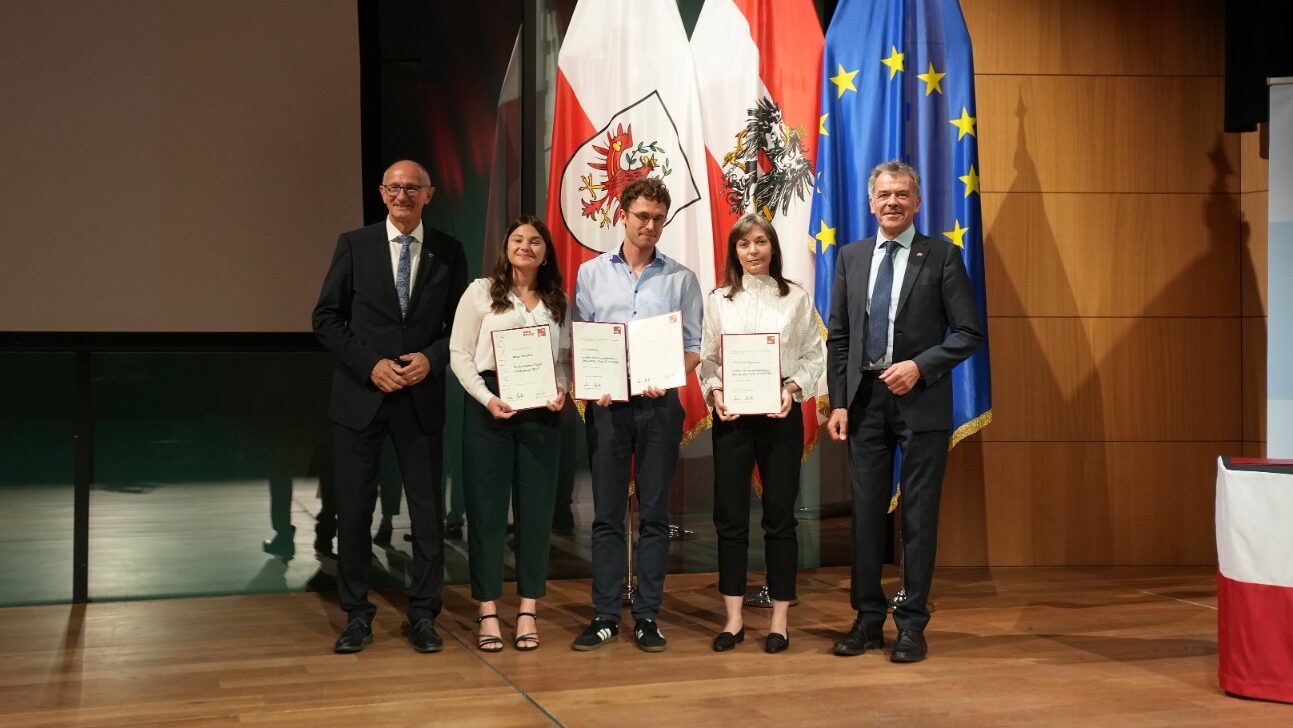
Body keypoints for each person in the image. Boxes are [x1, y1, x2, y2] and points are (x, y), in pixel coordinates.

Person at [825, 160, 983, 663]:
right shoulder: (849, 257)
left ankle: (912, 623)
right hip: (865, 404)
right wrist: (840, 402)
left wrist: (920, 365)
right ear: (871, 203)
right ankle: (867, 621)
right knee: (866, 517)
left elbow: (968, 333)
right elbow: (841, 337)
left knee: (918, 519)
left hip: (921, 404)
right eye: (884, 195)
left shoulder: (942, 256)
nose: (892, 202)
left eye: (902, 194)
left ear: (916, 203)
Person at [312, 159, 468, 654]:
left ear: (429, 194)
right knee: (354, 511)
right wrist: (370, 365)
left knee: (426, 515)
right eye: (394, 187)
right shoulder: (353, 246)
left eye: (412, 188)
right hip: (362, 397)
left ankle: (423, 614)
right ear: (382, 194)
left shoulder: (449, 251)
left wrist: (432, 357)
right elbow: (326, 318)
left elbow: (460, 329)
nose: (402, 195)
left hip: (420, 400)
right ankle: (357, 614)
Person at [570, 177, 703, 653]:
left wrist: (668, 374)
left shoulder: (681, 278)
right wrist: (595, 382)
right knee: (606, 514)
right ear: (622, 215)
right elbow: (582, 340)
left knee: (654, 515)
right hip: (608, 409)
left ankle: (647, 615)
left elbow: (693, 348)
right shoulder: (590, 274)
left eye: (657, 218)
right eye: (641, 216)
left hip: (659, 405)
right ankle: (605, 614)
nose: (649, 225)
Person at [698, 214, 824, 654]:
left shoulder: (795, 299)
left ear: (773, 248)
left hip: (779, 415)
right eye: (744, 244)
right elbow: (708, 360)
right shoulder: (718, 300)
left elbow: (813, 355)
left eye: (760, 242)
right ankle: (732, 620)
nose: (753, 251)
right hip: (732, 417)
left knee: (780, 518)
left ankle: (779, 622)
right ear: (734, 252)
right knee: (730, 517)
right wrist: (714, 393)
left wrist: (793, 388)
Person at [449, 215, 569, 652]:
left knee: (536, 514)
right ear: (506, 248)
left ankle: (526, 611)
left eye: (535, 241)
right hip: (490, 406)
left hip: (542, 409)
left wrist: (563, 391)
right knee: (487, 512)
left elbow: (566, 361)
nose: (526, 247)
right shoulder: (480, 293)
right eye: (518, 239)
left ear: (545, 251)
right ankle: (486, 612)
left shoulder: (557, 300)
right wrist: (485, 398)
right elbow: (459, 353)